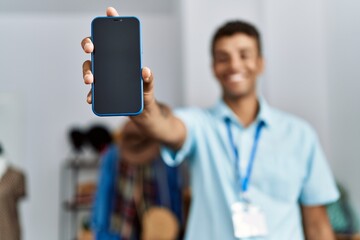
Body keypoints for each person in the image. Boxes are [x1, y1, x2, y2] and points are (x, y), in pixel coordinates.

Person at [81, 7, 339, 240]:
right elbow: (166, 126)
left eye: (244, 54)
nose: (234, 64)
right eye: (223, 57)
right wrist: (143, 106)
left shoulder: (301, 135)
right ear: (214, 66)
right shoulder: (199, 125)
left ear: (260, 63)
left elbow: (316, 223)